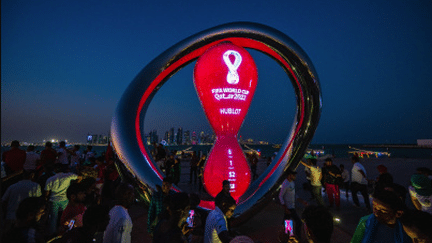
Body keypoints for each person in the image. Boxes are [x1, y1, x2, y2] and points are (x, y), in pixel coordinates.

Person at [45, 164, 81, 236]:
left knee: (53, 217)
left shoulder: (50, 179)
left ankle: (52, 234)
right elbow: (80, 177)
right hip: (65, 199)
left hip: (53, 200)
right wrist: (75, 185)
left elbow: (47, 192)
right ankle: (67, 231)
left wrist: (46, 199)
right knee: (66, 216)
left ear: (55, 170)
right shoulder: (67, 176)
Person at [278, 170, 307, 239]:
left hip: (291, 206)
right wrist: (285, 207)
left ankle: (288, 235)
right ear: (289, 175)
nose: (295, 176)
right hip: (289, 207)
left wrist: (301, 201)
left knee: (287, 221)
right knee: (298, 222)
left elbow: (294, 194)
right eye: (294, 175)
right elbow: (280, 196)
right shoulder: (285, 184)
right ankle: (296, 236)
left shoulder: (292, 183)